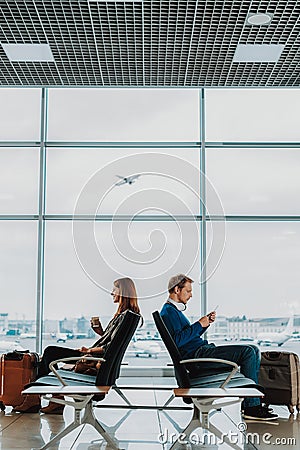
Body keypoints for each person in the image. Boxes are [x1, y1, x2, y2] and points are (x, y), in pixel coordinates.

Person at [160, 274, 278, 421]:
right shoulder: (168, 313)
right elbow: (177, 341)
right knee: (248, 352)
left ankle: (252, 403)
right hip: (198, 357)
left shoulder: (172, 311)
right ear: (177, 289)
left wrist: (204, 324)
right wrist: (198, 325)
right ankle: (251, 407)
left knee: (252, 349)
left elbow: (186, 338)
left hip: (200, 353)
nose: (191, 295)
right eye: (188, 291)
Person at [14, 277, 141, 414]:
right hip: (95, 357)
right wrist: (101, 333)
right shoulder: (126, 316)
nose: (112, 293)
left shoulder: (124, 316)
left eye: (114, 290)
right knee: (51, 353)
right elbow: (113, 344)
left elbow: (109, 348)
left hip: (93, 358)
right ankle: (49, 399)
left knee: (50, 352)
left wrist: (89, 350)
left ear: (122, 292)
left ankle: (37, 399)